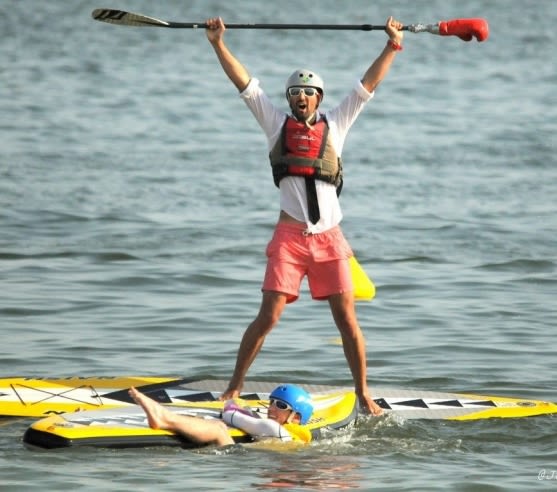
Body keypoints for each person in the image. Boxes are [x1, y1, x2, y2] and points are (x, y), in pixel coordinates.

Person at [205, 15, 404, 416]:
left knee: (347, 320)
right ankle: (234, 387)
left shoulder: (338, 123)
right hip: (290, 239)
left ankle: (363, 393)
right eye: (295, 92)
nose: (301, 97)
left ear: (318, 97)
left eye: (308, 92)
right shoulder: (275, 125)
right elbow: (245, 84)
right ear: (290, 98)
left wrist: (392, 45)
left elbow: (368, 85)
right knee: (269, 315)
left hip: (330, 239)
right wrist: (218, 44)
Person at [128, 383, 314, 447]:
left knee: (219, 429)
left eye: (281, 405)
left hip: (237, 458)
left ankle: (165, 418)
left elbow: (230, 415)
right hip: (252, 457)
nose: (271, 408)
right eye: (271, 402)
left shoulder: (273, 428)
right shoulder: (291, 435)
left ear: (296, 417)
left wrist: (235, 405)